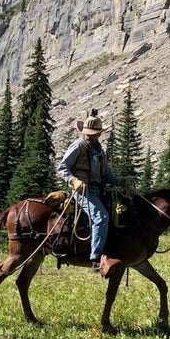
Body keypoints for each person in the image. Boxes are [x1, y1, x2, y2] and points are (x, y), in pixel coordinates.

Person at [56, 110, 131, 275]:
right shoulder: (77, 146)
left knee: (118, 214)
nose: (91, 136)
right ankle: (95, 258)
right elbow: (62, 168)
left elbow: (108, 176)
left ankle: (109, 251)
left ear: (99, 134)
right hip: (82, 191)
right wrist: (73, 181)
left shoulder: (100, 151)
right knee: (101, 216)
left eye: (94, 134)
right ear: (83, 132)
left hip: (99, 190)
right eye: (88, 134)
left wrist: (120, 181)